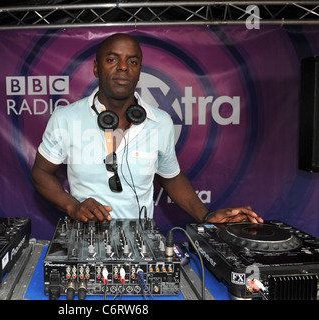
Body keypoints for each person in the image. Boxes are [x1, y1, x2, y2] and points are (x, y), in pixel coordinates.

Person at [31, 33, 263, 225]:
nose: (123, 67)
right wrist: (73, 206)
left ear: (139, 70)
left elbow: (171, 178)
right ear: (96, 68)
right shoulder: (66, 118)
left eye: (132, 61)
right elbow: (41, 171)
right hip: (85, 238)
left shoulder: (160, 122)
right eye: (112, 59)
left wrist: (206, 216)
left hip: (141, 242)